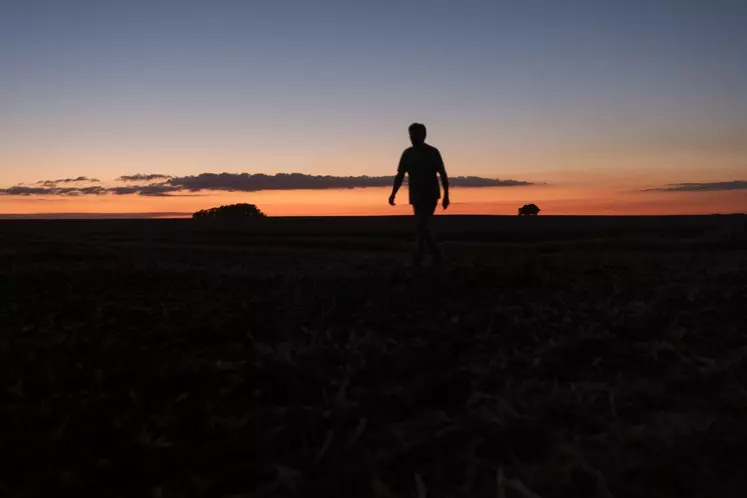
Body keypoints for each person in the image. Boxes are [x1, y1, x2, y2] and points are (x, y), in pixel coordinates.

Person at [389, 123, 450, 266]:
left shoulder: (433, 152)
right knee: (422, 227)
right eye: (411, 134)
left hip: (431, 194)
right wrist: (393, 193)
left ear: (424, 135)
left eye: (416, 134)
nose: (413, 137)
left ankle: (419, 257)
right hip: (416, 195)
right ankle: (435, 255)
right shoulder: (408, 153)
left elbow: (442, 174)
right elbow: (400, 175)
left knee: (421, 226)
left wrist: (447, 195)